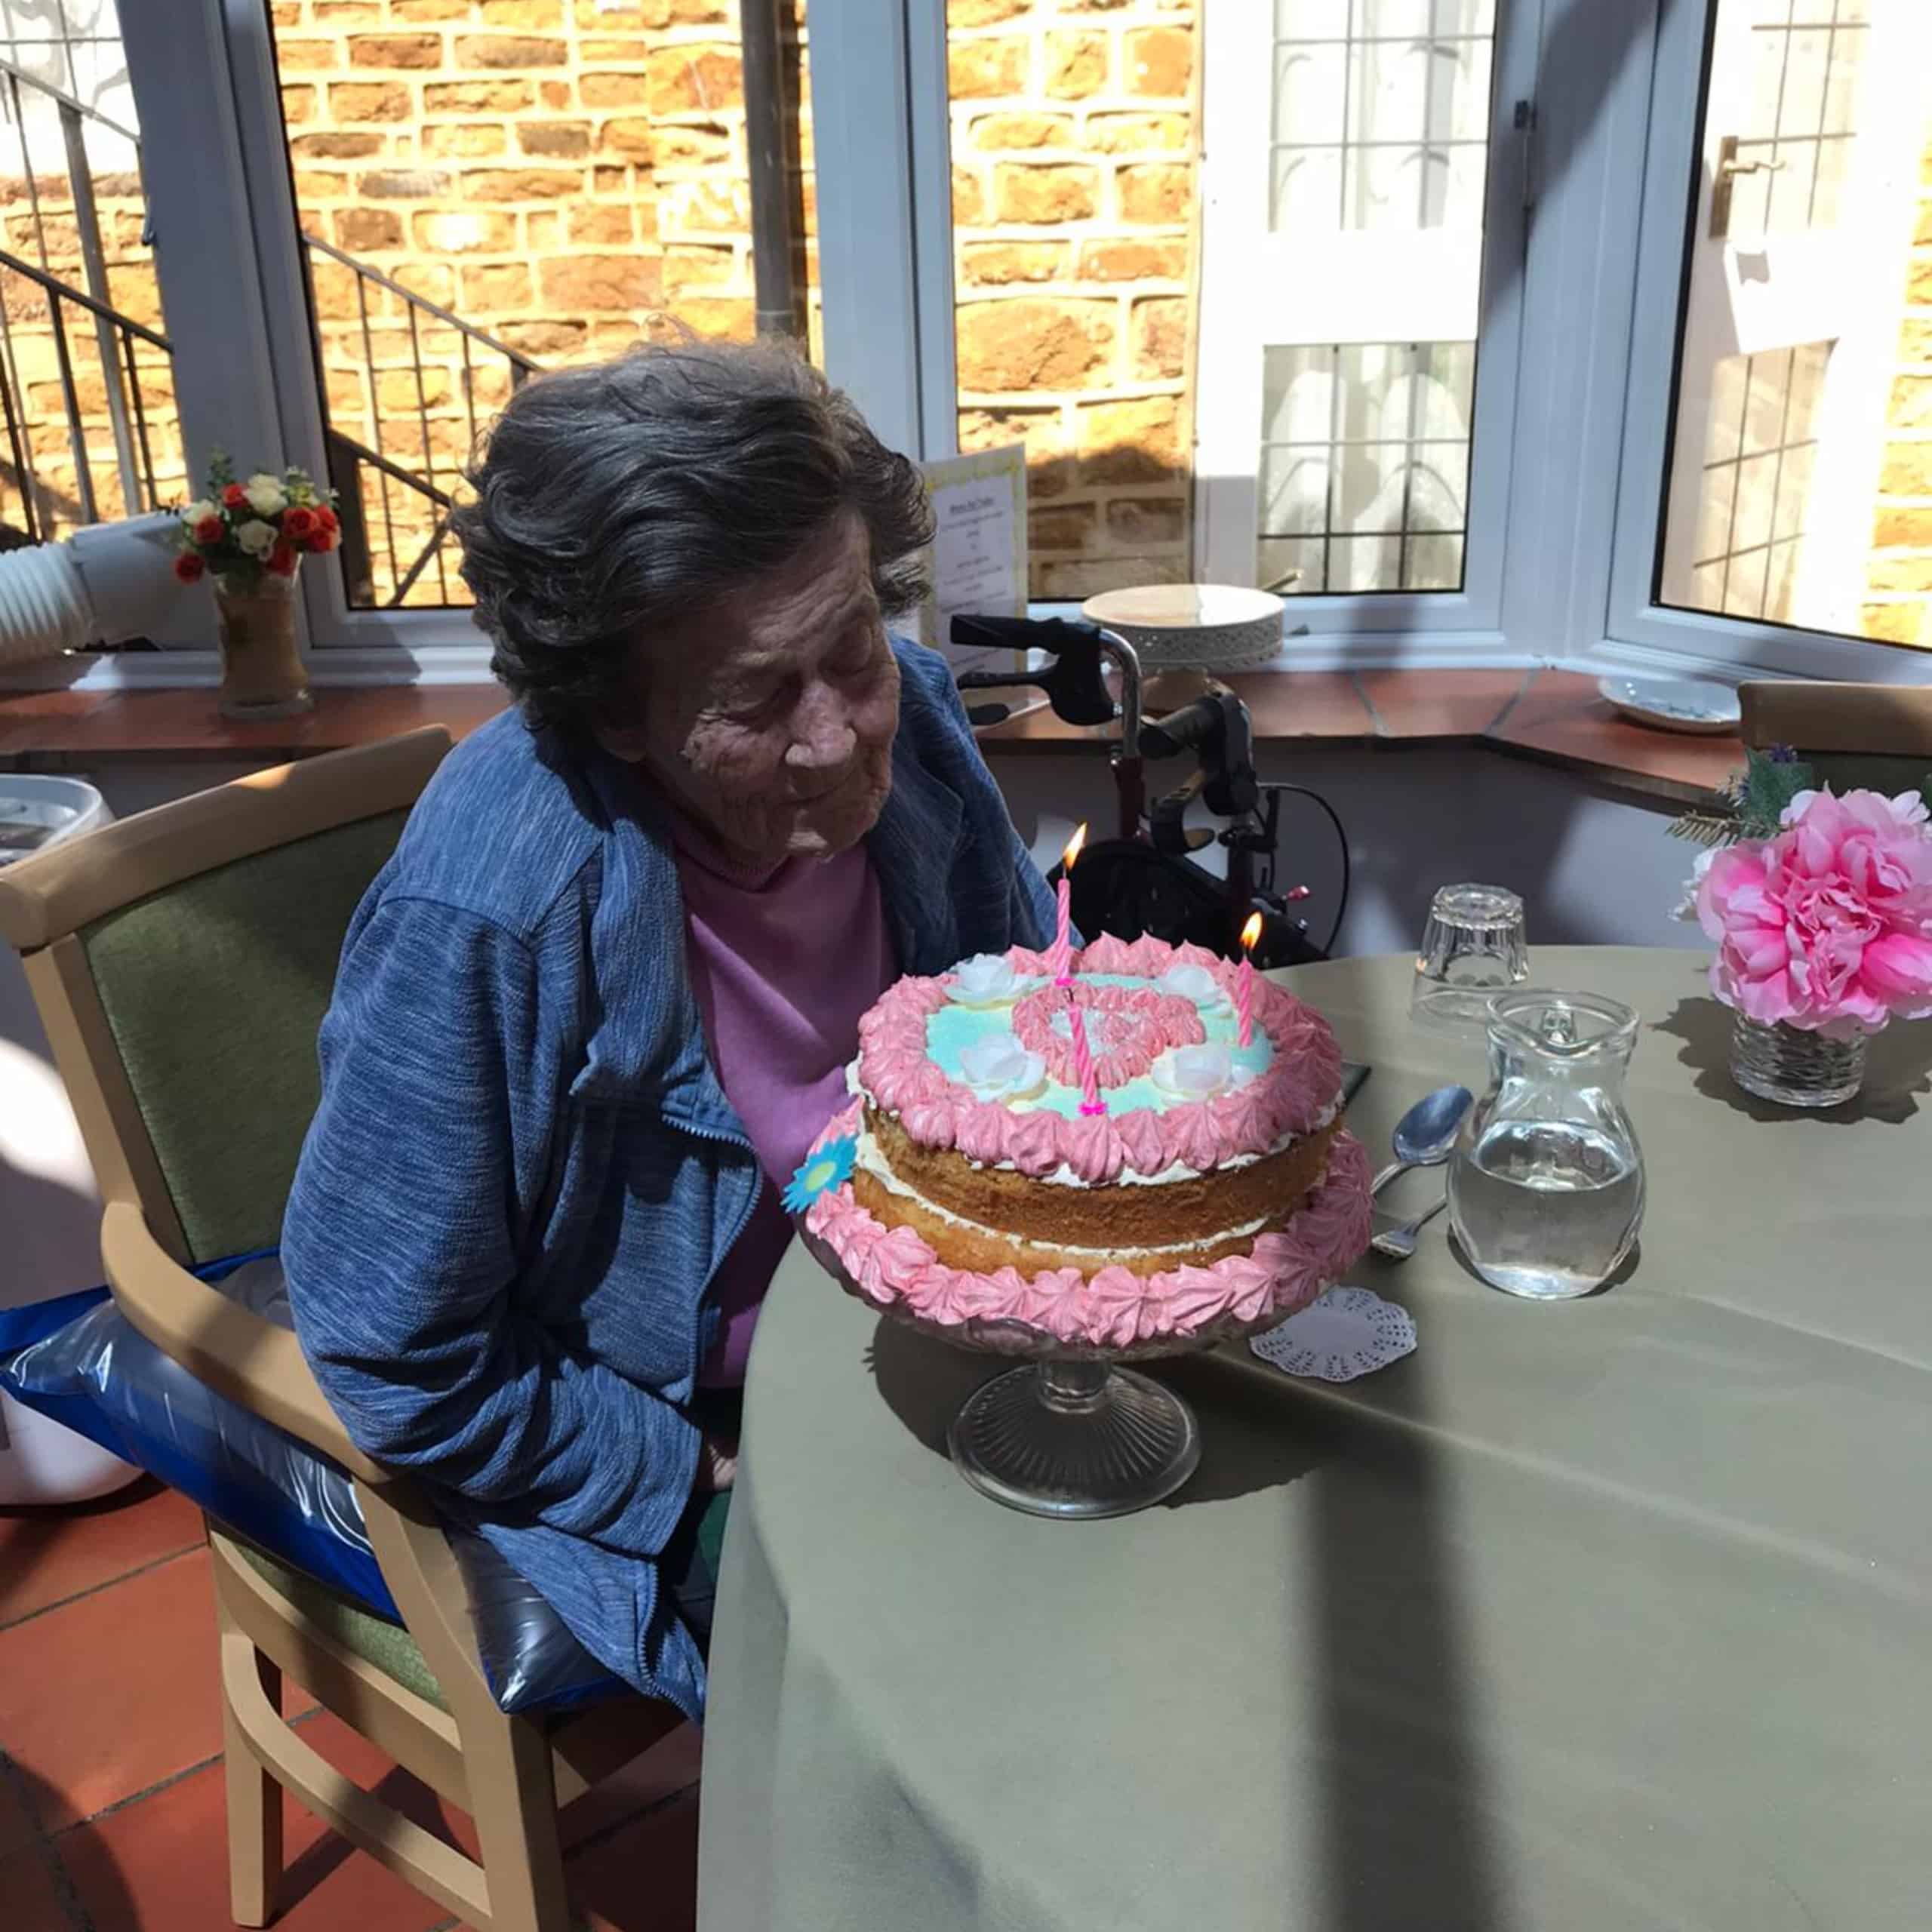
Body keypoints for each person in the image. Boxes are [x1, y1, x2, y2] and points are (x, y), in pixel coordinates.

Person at [281, 342, 1057, 1719]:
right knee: (950, 1709)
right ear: (614, 719)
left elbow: (1024, 1021)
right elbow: (389, 1348)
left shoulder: (919, 728)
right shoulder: (501, 905)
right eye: (756, 702)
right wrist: (680, 1466)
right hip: (689, 1422)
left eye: (853, 654)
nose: (836, 739)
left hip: (926, 1336)